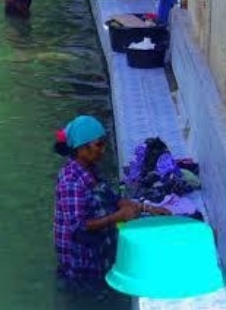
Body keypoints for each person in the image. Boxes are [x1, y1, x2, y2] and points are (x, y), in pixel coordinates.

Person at [53, 115, 170, 295]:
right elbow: (78, 227)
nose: (103, 150)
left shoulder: (90, 170)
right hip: (82, 268)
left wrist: (148, 208)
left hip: (99, 255)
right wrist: (119, 216)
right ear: (81, 149)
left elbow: (114, 199)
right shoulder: (71, 183)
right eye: (98, 145)